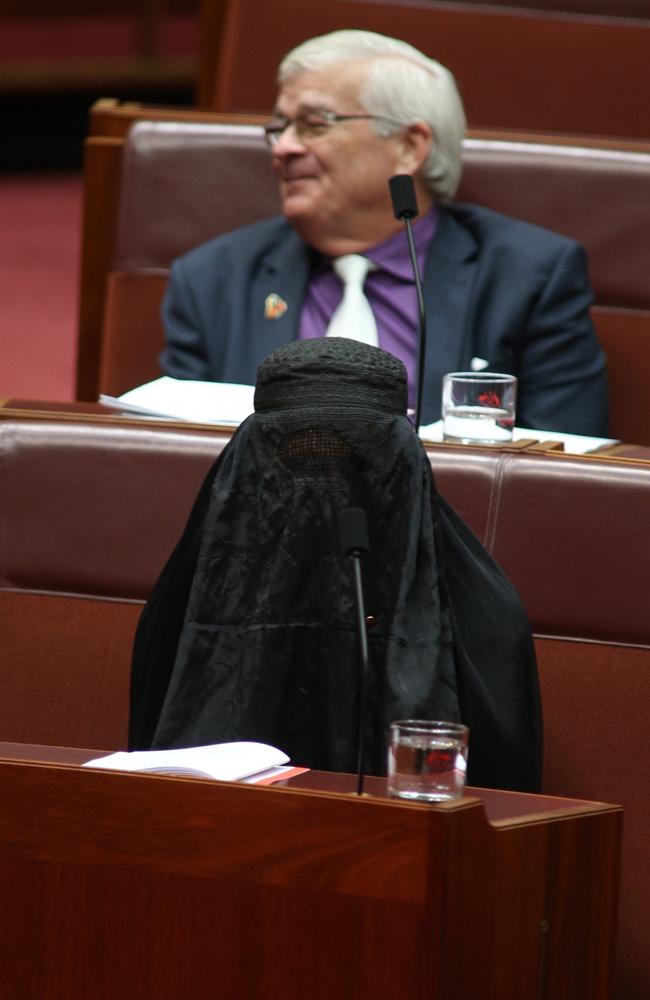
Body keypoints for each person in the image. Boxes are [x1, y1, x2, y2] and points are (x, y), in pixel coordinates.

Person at [130, 337, 543, 793]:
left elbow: (503, 809)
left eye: (357, 463)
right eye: (294, 457)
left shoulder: (485, 623)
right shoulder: (181, 602)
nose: (323, 490)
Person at [160, 29, 608, 436]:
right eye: (280, 127)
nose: (285, 147)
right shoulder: (212, 279)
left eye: (315, 124)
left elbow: (565, 466)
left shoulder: (529, 277)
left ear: (408, 146)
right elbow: (178, 460)